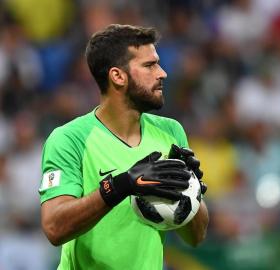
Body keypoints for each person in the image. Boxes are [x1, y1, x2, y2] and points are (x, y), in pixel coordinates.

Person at [39, 24, 209, 270]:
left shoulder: (171, 132)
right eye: (149, 66)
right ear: (117, 76)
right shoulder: (69, 139)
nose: (162, 73)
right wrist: (121, 185)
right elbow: (54, 227)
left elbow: (196, 236)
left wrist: (190, 191)